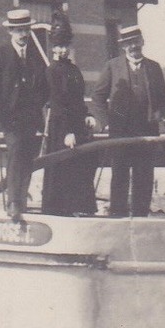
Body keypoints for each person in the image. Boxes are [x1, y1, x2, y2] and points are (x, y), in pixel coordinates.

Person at [91, 24, 165, 217]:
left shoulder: (153, 67)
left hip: (146, 132)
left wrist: (159, 114)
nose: (133, 47)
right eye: (128, 44)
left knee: (144, 177)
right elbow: (97, 97)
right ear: (123, 47)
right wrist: (107, 122)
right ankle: (118, 216)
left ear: (142, 42)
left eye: (136, 42)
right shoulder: (112, 66)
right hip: (121, 133)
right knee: (119, 176)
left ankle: (140, 217)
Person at [0, 8, 50, 219]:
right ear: (10, 31)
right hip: (9, 115)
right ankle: (13, 202)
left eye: (25, 30)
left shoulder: (37, 56)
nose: (22, 34)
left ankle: (22, 200)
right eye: (18, 30)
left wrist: (43, 101)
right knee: (16, 152)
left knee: (28, 157)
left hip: (31, 115)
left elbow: (45, 84)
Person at [40, 14, 96, 216]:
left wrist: (87, 115)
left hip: (77, 125)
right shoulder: (52, 71)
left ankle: (79, 209)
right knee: (61, 169)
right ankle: (59, 212)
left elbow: (78, 100)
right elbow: (57, 104)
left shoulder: (74, 70)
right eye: (58, 46)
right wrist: (67, 132)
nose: (62, 50)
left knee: (79, 168)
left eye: (65, 45)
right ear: (53, 48)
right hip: (61, 128)